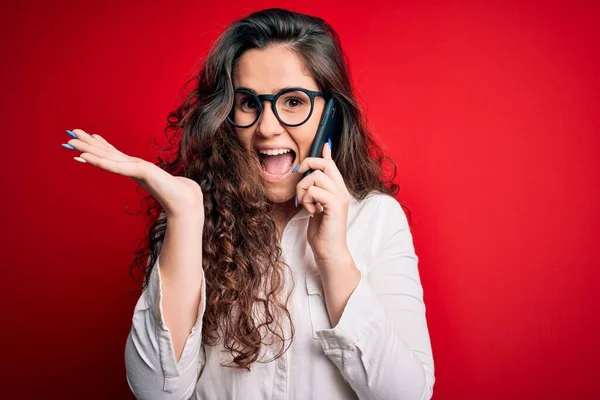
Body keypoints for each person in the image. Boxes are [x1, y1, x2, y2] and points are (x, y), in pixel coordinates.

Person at [62, 7, 434, 400]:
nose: (268, 127)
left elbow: (407, 394)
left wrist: (333, 258)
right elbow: (157, 392)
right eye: (249, 103)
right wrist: (186, 216)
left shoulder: (376, 218)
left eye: (293, 101)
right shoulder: (192, 217)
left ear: (331, 113)